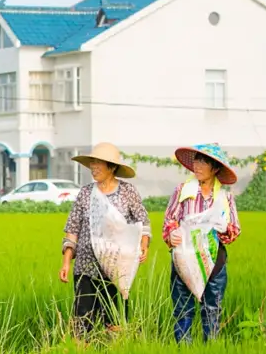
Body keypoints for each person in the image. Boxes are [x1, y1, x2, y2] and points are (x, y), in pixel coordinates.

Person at [59, 143, 151, 336]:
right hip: (86, 266)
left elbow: (143, 221)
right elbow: (73, 228)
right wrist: (66, 261)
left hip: (117, 268)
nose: (94, 167)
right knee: (82, 321)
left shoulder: (127, 192)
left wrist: (143, 245)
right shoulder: (85, 193)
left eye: (98, 163)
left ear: (112, 167)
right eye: (92, 163)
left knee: (115, 320)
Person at [163, 143, 241, 342]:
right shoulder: (182, 191)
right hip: (185, 260)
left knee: (212, 309)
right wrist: (172, 234)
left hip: (215, 262)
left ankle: (211, 351)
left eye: (203, 162)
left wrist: (223, 228)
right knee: (183, 309)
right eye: (196, 161)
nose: (197, 166)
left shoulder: (225, 198)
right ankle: (183, 352)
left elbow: (234, 232)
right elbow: (169, 221)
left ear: (215, 168)